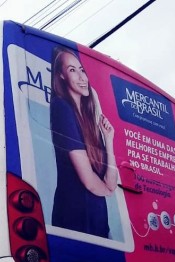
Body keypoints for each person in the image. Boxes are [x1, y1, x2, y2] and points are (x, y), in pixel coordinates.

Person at [50, 46, 117, 238]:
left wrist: (109, 140)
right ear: (61, 76)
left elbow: (111, 182)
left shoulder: (90, 121)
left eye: (82, 70)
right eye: (72, 70)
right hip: (75, 221)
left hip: (98, 222)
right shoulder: (61, 107)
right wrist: (107, 189)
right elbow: (90, 182)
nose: (81, 77)